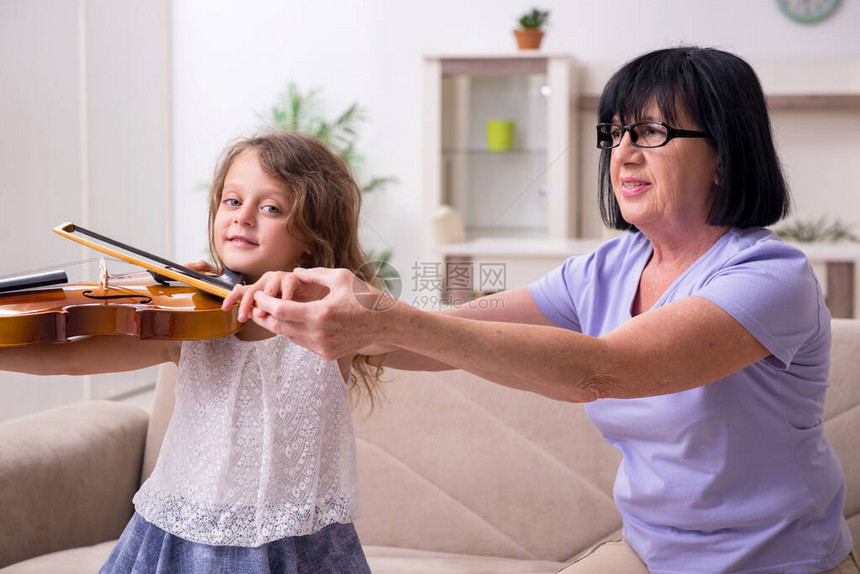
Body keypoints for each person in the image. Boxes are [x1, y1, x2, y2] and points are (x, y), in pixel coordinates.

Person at [222, 47, 859, 573]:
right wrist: (309, 309)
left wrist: (386, 319)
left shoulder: (768, 276)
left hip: (777, 563)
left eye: (652, 133)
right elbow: (445, 337)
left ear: (724, 151)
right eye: (614, 134)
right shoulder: (606, 269)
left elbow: (608, 371)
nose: (623, 154)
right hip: (651, 555)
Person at [0, 131, 382, 573]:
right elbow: (71, 358)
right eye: (232, 201)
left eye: (271, 207)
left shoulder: (334, 326)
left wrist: (338, 291)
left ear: (312, 236)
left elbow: (402, 327)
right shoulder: (189, 318)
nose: (243, 218)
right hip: (176, 536)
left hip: (293, 548)